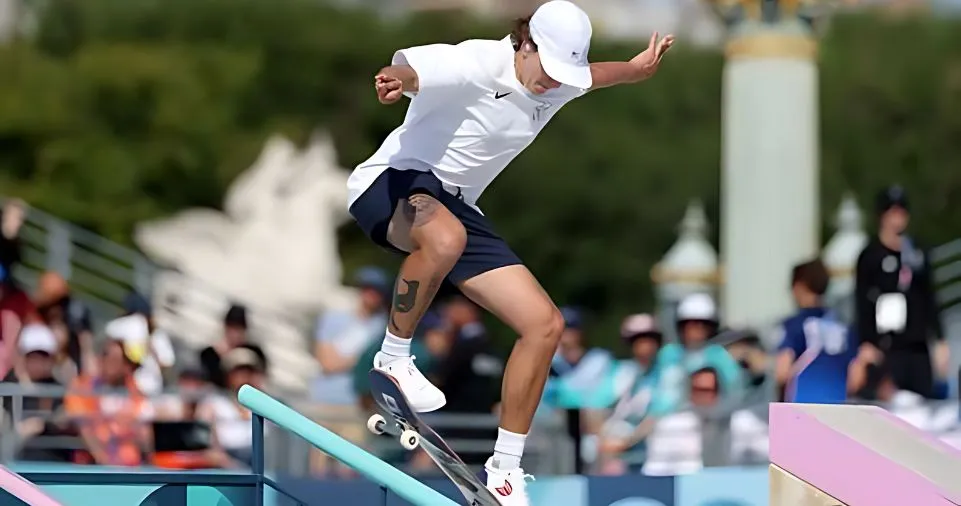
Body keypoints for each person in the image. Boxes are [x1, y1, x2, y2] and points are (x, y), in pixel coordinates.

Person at [346, 1, 674, 501]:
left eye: (563, 75)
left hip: (456, 206)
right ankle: (393, 356)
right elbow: (417, 70)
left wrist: (637, 69)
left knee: (545, 325)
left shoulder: (562, 80)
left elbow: (599, 74)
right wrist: (396, 80)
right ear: (526, 44)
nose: (552, 84)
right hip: (392, 182)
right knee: (445, 237)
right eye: (546, 70)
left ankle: (504, 469)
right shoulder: (478, 61)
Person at [855, 185, 946, 398]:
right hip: (885, 347)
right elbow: (861, 302)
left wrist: (940, 339)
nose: (897, 218)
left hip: (917, 346)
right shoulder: (870, 255)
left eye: (901, 212)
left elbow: (930, 296)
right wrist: (865, 343)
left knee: (922, 403)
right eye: (892, 212)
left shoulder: (918, 252)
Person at [775, 259, 859, 404]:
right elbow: (855, 380)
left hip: (802, 408)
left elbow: (781, 372)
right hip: (838, 408)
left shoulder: (796, 324)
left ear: (799, 286)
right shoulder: (843, 326)